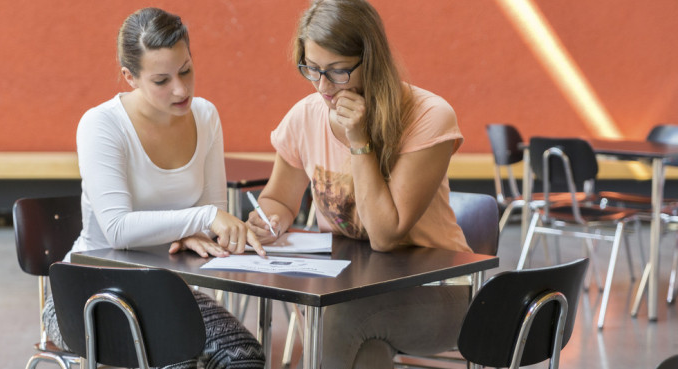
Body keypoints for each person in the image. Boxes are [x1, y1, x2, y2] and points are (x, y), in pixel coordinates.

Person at [246, 0, 472, 368]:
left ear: (371, 60)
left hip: (439, 291)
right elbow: (280, 200)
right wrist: (268, 219)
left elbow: (384, 236)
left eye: (337, 72)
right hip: (347, 286)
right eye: (312, 69)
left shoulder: (429, 117)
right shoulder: (305, 116)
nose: (322, 86)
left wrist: (358, 140)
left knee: (337, 317)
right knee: (353, 338)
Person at [43, 8, 266, 368]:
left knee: (245, 357)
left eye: (186, 71)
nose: (180, 89)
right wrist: (199, 219)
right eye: (161, 80)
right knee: (176, 360)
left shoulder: (206, 116)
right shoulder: (101, 125)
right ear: (130, 77)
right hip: (89, 292)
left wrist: (201, 224)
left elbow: (212, 219)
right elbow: (118, 230)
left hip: (165, 289)